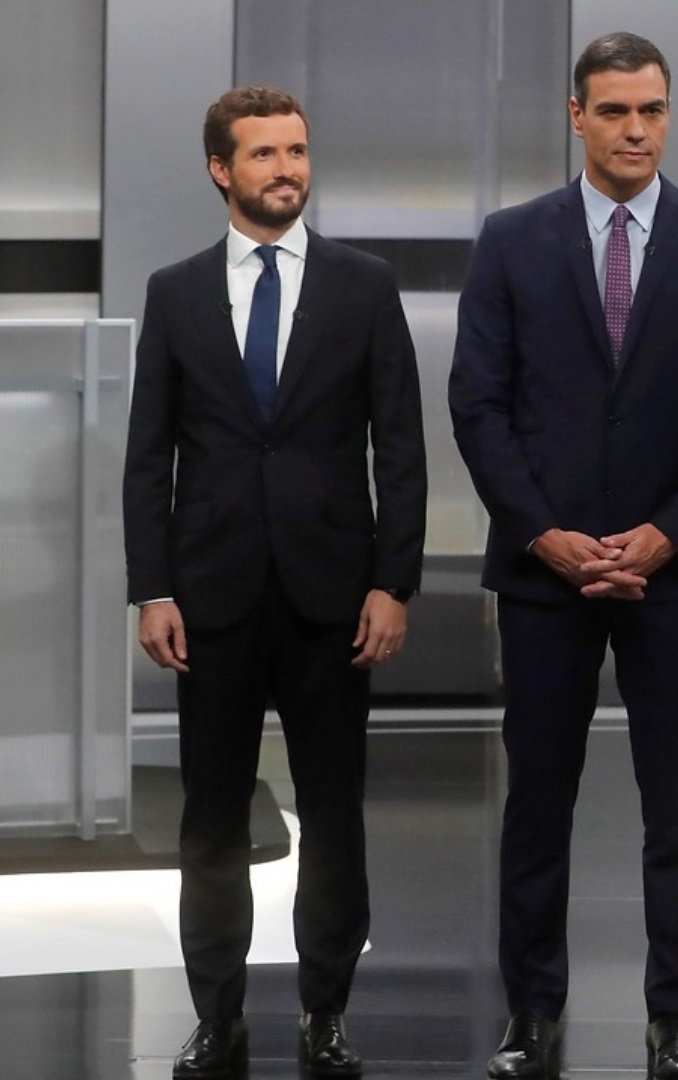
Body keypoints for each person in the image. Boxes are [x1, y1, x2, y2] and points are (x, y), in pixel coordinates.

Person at [448, 31, 678, 1080]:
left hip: (674, 572)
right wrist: (543, 534)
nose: (637, 130)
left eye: (652, 110)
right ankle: (530, 1015)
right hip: (543, 573)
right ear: (577, 116)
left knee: (675, 806)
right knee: (537, 803)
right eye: (616, 111)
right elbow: (478, 405)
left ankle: (673, 1017)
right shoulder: (511, 239)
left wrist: (665, 533)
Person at [123, 85, 427, 1079]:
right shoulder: (175, 292)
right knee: (212, 817)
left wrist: (394, 584)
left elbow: (401, 447)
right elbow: (148, 455)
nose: (286, 169)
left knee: (335, 816)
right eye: (264, 154)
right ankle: (216, 1015)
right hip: (210, 597)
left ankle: (325, 1012)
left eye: (296, 151)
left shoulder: (364, 286)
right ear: (221, 169)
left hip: (334, 597)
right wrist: (152, 588)